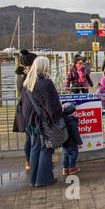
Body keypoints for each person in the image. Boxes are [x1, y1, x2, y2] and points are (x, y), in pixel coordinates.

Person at [21, 57, 63, 187]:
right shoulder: (46, 83)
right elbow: (52, 105)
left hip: (31, 122)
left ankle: (33, 179)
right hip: (43, 122)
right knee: (46, 149)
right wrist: (58, 113)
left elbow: (24, 104)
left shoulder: (28, 82)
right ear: (45, 67)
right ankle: (43, 179)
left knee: (35, 148)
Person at [13, 49, 38, 171]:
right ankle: (30, 161)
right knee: (31, 138)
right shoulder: (25, 76)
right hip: (29, 111)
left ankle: (30, 161)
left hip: (24, 109)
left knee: (30, 138)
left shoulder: (20, 74)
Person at [61, 103, 83, 176]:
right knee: (73, 155)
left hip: (64, 141)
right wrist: (79, 141)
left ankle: (65, 168)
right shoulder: (72, 121)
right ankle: (72, 168)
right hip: (72, 141)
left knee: (65, 155)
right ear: (71, 112)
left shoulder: (62, 120)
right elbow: (75, 132)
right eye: (74, 111)